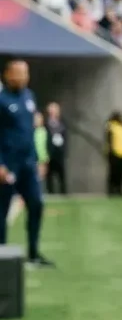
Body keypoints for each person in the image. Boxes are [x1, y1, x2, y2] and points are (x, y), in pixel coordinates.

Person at [0, 60, 54, 267]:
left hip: (27, 164)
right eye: (18, 73)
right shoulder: (2, 100)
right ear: (7, 74)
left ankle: (33, 253)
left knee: (36, 204)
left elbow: (31, 132)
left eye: (25, 73)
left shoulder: (29, 97)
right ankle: (2, 254)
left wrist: (38, 159)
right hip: (7, 165)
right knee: (2, 211)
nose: (22, 77)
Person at [105, 112, 122, 196]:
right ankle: (113, 191)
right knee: (115, 174)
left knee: (119, 174)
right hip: (116, 153)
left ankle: (117, 190)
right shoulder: (111, 126)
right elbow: (109, 140)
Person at [43, 102, 67, 194]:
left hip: (59, 152)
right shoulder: (46, 123)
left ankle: (63, 192)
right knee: (50, 175)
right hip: (50, 152)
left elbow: (66, 137)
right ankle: (51, 193)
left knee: (61, 175)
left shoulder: (62, 123)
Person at [33, 112, 48, 183]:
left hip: (42, 158)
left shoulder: (44, 131)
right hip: (33, 158)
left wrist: (45, 158)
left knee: (41, 177)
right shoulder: (31, 132)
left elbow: (47, 145)